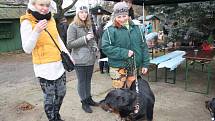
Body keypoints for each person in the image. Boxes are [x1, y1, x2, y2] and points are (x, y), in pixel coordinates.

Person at [20, 0, 72, 121]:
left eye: (47, 5)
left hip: (58, 63)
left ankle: (56, 114)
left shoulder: (51, 19)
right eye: (41, 5)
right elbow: (27, 49)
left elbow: (58, 39)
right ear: (34, 5)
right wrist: (36, 31)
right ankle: (52, 118)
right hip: (43, 67)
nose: (44, 8)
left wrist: (69, 55)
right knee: (50, 97)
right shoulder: (27, 21)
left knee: (61, 93)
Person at [102, 2, 150, 89]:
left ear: (128, 15)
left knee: (132, 91)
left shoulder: (137, 28)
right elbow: (105, 48)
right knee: (119, 94)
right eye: (119, 17)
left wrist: (145, 64)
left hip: (134, 64)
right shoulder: (110, 30)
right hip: (118, 66)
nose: (122, 19)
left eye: (124, 16)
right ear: (115, 17)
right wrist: (124, 52)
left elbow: (143, 46)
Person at [67, 4, 98, 113]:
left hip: (90, 58)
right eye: (81, 12)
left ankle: (89, 99)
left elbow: (92, 39)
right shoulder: (73, 26)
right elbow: (70, 44)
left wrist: (95, 46)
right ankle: (84, 102)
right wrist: (85, 38)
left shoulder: (88, 24)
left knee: (88, 80)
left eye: (85, 12)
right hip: (79, 60)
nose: (83, 14)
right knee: (82, 81)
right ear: (77, 13)